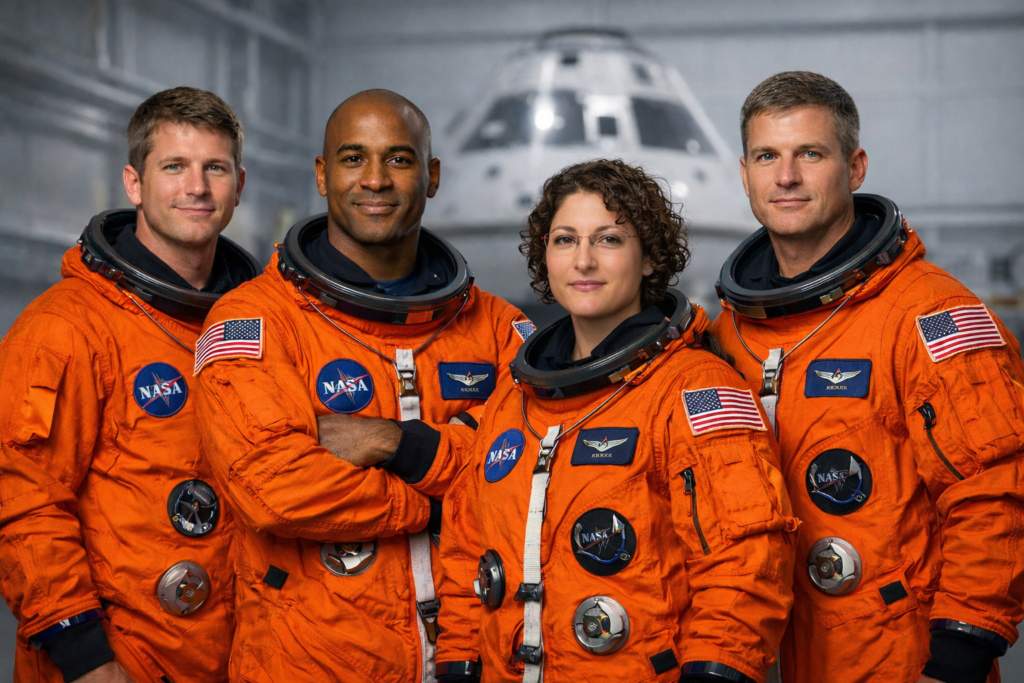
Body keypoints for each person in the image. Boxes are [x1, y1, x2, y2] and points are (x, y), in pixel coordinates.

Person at [193, 89, 532, 682]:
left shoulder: (500, 329)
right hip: (314, 661)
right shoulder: (254, 321)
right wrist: (436, 502)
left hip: (473, 655)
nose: (375, 179)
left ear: (431, 176)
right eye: (353, 159)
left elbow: (528, 476)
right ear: (323, 176)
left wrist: (393, 443)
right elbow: (275, 488)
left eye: (399, 160)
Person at [710, 71, 1024, 683]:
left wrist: (959, 655)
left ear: (855, 168)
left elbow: (997, 490)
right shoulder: (727, 335)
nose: (787, 177)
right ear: (745, 174)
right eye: (767, 156)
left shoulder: (930, 315)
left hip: (898, 659)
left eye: (810, 154)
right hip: (752, 656)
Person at [432, 159, 798, 682]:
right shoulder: (512, 402)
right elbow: (469, 554)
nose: (582, 261)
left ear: (649, 257)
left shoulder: (696, 389)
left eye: (607, 239)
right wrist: (457, 667)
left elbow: (746, 563)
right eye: (564, 240)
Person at [0, 87, 259, 683]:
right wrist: (88, 660)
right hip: (118, 661)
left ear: (238, 187)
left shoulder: (256, 324)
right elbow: (24, 502)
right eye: (174, 167)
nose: (196, 187)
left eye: (214, 168)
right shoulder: (66, 327)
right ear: (134, 184)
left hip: (241, 653)